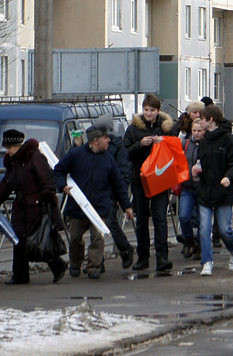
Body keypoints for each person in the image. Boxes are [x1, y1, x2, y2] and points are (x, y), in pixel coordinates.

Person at [53, 125, 133, 280]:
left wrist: (127, 206)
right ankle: (75, 263)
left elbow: (118, 184)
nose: (108, 140)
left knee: (97, 238)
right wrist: (63, 186)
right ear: (96, 140)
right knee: (75, 237)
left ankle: (93, 267)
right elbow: (59, 170)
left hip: (99, 207)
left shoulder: (108, 158)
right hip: (78, 206)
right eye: (105, 138)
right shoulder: (76, 154)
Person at [0, 129, 68, 285]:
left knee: (35, 241)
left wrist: (48, 200)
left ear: (19, 145)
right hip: (21, 207)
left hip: (36, 207)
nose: (7, 151)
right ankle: (21, 275)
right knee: (19, 240)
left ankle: (57, 265)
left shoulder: (35, 157)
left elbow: (47, 181)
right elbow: (6, 186)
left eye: (10, 147)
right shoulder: (14, 162)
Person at [123, 94, 175, 272]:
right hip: (140, 178)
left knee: (160, 217)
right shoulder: (133, 128)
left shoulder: (166, 127)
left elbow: (176, 147)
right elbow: (126, 151)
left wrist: (164, 141)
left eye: (152, 110)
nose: (148, 113)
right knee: (142, 218)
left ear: (158, 111)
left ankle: (162, 257)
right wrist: (140, 144)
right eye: (146, 110)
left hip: (160, 177)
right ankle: (143, 256)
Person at [192, 106, 233, 276]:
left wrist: (229, 177)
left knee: (224, 229)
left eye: (203, 119)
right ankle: (207, 261)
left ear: (211, 120)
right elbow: (201, 161)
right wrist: (196, 170)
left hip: (224, 191)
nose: (200, 121)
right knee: (204, 228)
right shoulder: (204, 141)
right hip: (206, 190)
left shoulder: (228, 139)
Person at [93, 118, 135, 268]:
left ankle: (125, 249)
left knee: (110, 223)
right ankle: (97, 261)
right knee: (96, 226)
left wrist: (121, 196)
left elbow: (123, 172)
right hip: (95, 192)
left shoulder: (118, 147)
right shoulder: (94, 145)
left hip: (110, 192)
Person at [177, 120, 204, 258]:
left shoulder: (207, 145)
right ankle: (189, 242)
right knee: (183, 216)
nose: (196, 133)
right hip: (187, 186)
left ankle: (200, 246)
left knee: (201, 220)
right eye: (194, 130)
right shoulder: (186, 144)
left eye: (199, 131)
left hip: (202, 188)